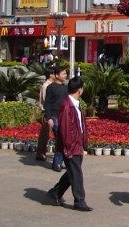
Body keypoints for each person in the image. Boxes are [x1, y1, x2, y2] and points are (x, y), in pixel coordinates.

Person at [48, 76, 92, 211]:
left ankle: (55, 192)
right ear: (80, 90)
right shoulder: (67, 105)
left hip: (76, 144)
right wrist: (69, 148)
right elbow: (65, 129)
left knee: (72, 172)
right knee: (76, 173)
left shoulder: (75, 104)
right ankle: (79, 201)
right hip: (71, 146)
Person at [44, 66, 69, 171]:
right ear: (57, 75)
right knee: (60, 139)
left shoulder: (66, 87)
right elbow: (47, 104)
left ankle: (58, 162)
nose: (65, 75)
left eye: (65, 73)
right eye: (63, 73)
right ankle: (57, 163)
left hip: (64, 116)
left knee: (63, 140)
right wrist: (49, 118)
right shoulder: (51, 88)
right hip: (54, 116)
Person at [36, 66, 55, 161]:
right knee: (44, 133)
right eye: (54, 73)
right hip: (47, 112)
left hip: (51, 111)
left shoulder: (51, 84)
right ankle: (40, 153)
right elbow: (45, 100)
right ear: (50, 74)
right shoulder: (46, 86)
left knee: (47, 133)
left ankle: (41, 152)